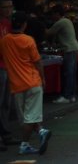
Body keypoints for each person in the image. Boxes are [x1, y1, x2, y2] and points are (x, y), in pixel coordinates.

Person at [0, 10, 52, 155]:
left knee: (25, 117)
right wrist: (43, 79)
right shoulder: (28, 40)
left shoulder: (4, 41)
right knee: (30, 116)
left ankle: (41, 131)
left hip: (16, 85)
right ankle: (26, 143)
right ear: (24, 25)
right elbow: (38, 62)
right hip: (32, 81)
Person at [45, 4, 78, 103]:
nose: (52, 17)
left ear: (57, 14)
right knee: (71, 73)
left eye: (52, 14)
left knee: (68, 73)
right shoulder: (67, 21)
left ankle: (67, 96)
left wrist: (38, 25)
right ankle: (72, 95)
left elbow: (48, 33)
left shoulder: (61, 22)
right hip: (73, 49)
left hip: (69, 50)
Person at [0, 0, 15, 149]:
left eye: (10, 7)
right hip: (1, 67)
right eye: (5, 7)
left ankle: (6, 134)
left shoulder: (8, 25)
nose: (8, 9)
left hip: (8, 66)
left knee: (6, 103)